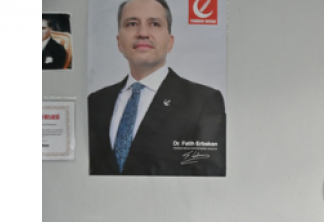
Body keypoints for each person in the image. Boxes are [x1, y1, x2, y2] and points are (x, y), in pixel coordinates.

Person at [88, 0, 226, 176]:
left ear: (170, 41)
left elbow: (209, 177)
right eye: (132, 24)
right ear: (119, 42)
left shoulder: (203, 102)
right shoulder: (95, 102)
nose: (143, 33)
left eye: (154, 24)